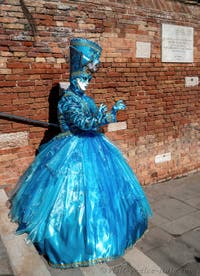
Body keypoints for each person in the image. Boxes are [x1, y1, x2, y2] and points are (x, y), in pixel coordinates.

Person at [9, 38, 152, 269]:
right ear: (72, 79)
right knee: (68, 196)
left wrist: (102, 116)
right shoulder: (67, 101)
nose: (85, 83)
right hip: (70, 150)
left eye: (87, 79)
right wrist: (109, 114)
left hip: (95, 148)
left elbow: (93, 124)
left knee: (105, 194)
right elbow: (83, 123)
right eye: (80, 79)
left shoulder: (87, 99)